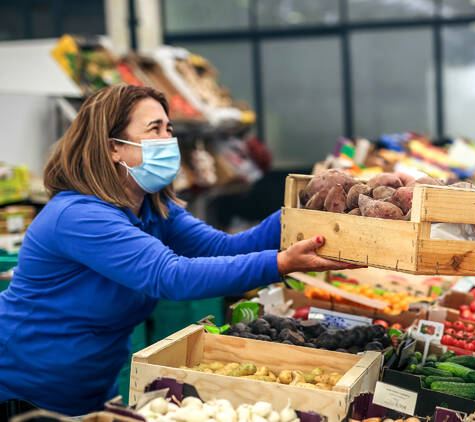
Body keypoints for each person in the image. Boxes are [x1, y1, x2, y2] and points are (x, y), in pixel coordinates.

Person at [0, 85, 354, 415]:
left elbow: (221, 248)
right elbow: (170, 276)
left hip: (90, 388)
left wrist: (302, 210)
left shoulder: (153, 210)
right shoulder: (78, 216)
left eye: (169, 129)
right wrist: (280, 263)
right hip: (25, 388)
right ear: (113, 147)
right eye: (153, 129)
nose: (167, 139)